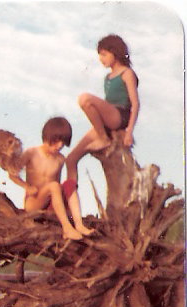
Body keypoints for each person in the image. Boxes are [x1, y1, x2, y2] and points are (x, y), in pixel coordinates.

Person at [66, 34, 139, 182]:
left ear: (115, 53)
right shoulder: (108, 77)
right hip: (106, 120)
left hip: (119, 116)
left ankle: (104, 139)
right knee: (71, 159)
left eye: (104, 54)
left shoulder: (127, 73)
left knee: (85, 99)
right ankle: (70, 200)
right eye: (100, 55)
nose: (101, 59)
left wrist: (129, 132)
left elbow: (136, 104)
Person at [8, 117, 93, 241]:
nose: (59, 146)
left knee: (69, 183)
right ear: (48, 137)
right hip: (34, 202)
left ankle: (79, 224)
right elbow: (12, 174)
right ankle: (67, 228)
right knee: (53, 186)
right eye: (56, 141)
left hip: (51, 202)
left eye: (63, 143)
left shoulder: (60, 159)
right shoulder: (31, 153)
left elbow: (58, 186)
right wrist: (27, 187)